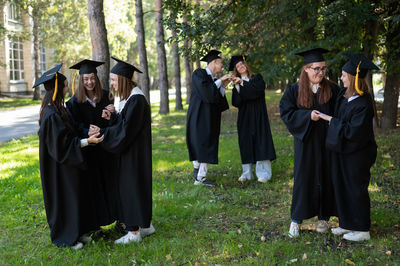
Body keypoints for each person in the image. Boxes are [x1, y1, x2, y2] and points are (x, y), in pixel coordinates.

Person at [37, 64, 104, 249]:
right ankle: (66, 238)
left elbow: (73, 129)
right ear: (58, 88)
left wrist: (86, 134)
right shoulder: (51, 115)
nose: (68, 88)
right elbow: (61, 146)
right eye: (65, 85)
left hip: (69, 164)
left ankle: (78, 232)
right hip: (59, 167)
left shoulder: (60, 108)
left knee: (76, 197)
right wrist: (86, 142)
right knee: (65, 200)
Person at [318, 53, 378, 241]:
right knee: (342, 186)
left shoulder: (363, 102)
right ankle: (346, 223)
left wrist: (329, 119)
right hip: (344, 151)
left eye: (344, 75)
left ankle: (361, 229)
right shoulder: (346, 97)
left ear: (352, 78)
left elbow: (354, 131)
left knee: (355, 188)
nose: (341, 78)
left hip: (358, 153)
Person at [279, 48, 339, 238]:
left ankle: (323, 218)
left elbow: (340, 114)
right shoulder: (294, 90)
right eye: (316, 69)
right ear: (306, 69)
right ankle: (296, 220)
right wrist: (307, 116)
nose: (320, 73)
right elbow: (286, 113)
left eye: (323, 69)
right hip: (305, 143)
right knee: (304, 180)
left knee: (326, 178)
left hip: (327, 142)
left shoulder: (332, 89)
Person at [100, 57, 154, 244]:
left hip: (134, 154)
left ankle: (134, 232)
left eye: (114, 79)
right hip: (131, 152)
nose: (112, 83)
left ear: (123, 80)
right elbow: (123, 124)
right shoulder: (127, 98)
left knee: (132, 188)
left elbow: (125, 132)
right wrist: (112, 117)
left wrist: (103, 133)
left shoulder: (137, 100)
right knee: (135, 187)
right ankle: (145, 226)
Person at [66, 59, 119, 230]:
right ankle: (95, 226)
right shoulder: (73, 103)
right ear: (81, 81)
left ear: (97, 78)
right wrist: (86, 131)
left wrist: (110, 117)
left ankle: (118, 218)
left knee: (110, 185)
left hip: (105, 149)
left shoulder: (106, 96)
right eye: (86, 79)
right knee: (92, 188)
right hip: (88, 151)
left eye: (92, 78)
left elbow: (115, 124)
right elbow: (73, 126)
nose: (89, 82)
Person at [186, 49, 231, 187]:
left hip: (211, 118)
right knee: (199, 142)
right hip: (198, 116)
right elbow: (206, 92)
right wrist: (219, 81)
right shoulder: (199, 74)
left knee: (208, 143)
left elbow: (216, 98)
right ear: (214, 62)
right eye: (221, 63)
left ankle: (200, 176)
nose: (222, 66)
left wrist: (223, 85)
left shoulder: (213, 80)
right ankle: (198, 174)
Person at [230, 55, 276, 183]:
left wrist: (242, 83)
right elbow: (236, 102)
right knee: (246, 143)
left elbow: (256, 92)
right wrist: (238, 86)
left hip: (258, 115)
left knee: (261, 141)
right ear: (236, 70)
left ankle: (264, 174)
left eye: (242, 64)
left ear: (246, 65)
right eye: (238, 66)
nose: (241, 66)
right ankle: (247, 173)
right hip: (245, 117)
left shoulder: (257, 78)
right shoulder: (237, 84)